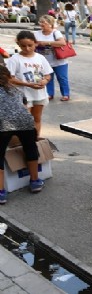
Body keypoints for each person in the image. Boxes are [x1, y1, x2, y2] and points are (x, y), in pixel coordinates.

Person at [0, 65, 46, 203]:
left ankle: (1, 192)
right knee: (30, 148)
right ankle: (35, 181)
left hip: (2, 124)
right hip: (25, 122)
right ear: (9, 77)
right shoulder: (17, 91)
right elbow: (24, 108)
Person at [6, 31, 53, 138]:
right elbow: (10, 78)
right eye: (23, 46)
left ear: (35, 43)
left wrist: (45, 81)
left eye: (30, 45)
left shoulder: (40, 58)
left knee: (37, 118)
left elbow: (47, 75)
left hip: (39, 94)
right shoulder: (14, 59)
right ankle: (25, 143)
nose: (27, 48)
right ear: (18, 44)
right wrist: (28, 84)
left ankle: (35, 139)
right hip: (23, 95)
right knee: (25, 120)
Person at [34, 15, 70, 101]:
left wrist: (46, 43)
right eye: (40, 22)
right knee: (47, 78)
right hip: (45, 61)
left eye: (44, 22)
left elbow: (62, 43)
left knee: (62, 78)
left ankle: (65, 94)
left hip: (59, 61)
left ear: (50, 24)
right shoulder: (37, 33)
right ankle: (49, 94)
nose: (41, 24)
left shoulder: (55, 33)